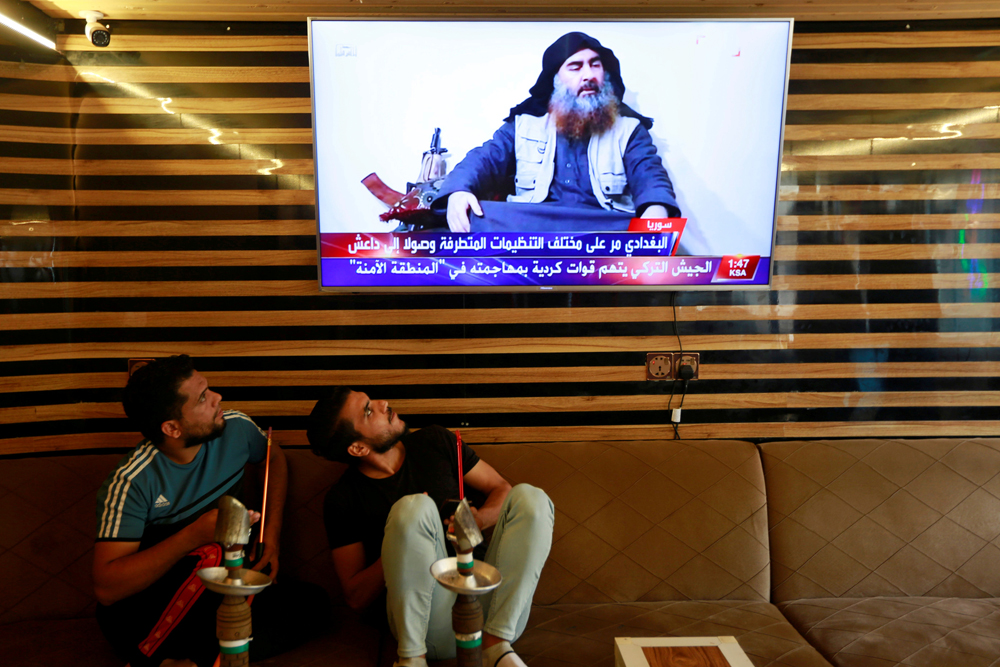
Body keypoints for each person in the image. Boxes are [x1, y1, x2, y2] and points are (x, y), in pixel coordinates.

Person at [93, 355, 328, 667]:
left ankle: (194, 660)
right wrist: (193, 535)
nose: (218, 398)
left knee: (315, 605)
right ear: (172, 427)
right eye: (203, 397)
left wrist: (270, 535)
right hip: (149, 609)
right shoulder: (132, 481)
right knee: (211, 554)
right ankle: (160, 656)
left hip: (216, 595)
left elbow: (273, 457)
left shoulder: (237, 429)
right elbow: (107, 590)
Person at [308, 388, 554, 667]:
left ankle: (496, 648)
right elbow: (355, 597)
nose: (383, 403)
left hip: (496, 614)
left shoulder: (435, 439)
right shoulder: (343, 498)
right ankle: (412, 659)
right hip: (427, 625)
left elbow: (501, 489)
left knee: (532, 498)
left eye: (372, 400)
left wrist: (480, 519)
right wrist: (400, 540)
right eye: (368, 410)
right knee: (412, 509)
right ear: (358, 448)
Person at [433, 31, 680, 233]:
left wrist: (655, 211)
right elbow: (483, 159)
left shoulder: (628, 131)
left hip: (601, 227)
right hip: (535, 225)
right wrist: (459, 191)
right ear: (556, 81)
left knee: (636, 225)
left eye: (595, 65)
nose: (589, 75)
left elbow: (650, 176)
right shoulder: (523, 126)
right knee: (479, 213)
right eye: (575, 67)